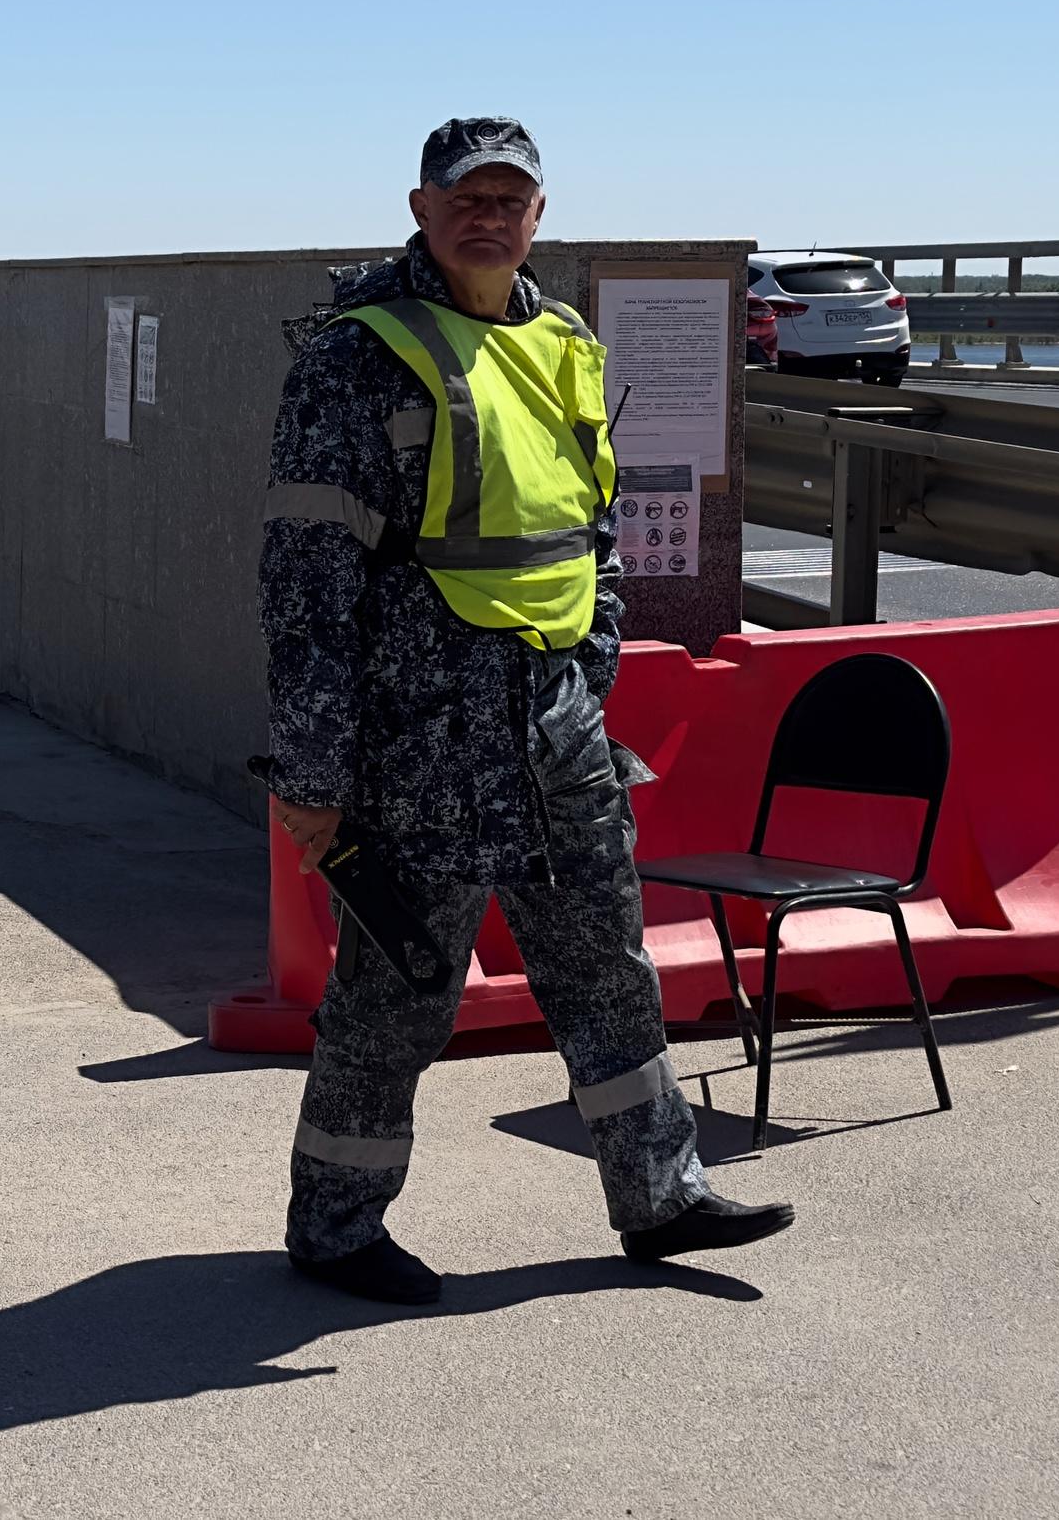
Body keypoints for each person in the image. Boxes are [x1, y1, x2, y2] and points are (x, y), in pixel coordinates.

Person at [257, 116, 792, 1305]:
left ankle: (661, 1195)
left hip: (554, 721)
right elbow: (306, 578)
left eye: (511, 197)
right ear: (420, 207)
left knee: (606, 963)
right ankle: (335, 1224)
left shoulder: (565, 343)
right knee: (401, 986)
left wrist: (590, 664)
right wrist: (313, 764)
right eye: (467, 196)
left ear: (539, 215)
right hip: (420, 732)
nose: (488, 215)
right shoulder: (359, 356)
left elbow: (592, 530)